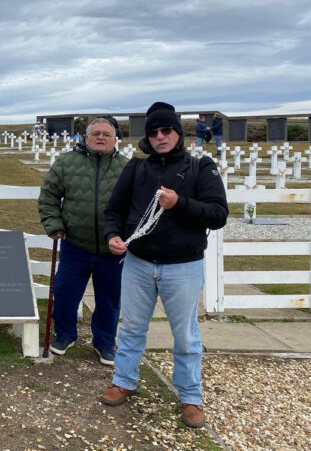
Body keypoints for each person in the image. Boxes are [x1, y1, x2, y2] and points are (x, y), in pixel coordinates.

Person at [100, 101, 228, 429]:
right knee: (130, 327)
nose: (160, 136)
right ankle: (124, 381)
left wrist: (178, 204)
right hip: (139, 262)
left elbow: (218, 215)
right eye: (154, 131)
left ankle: (190, 396)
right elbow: (115, 210)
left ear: (178, 132)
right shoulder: (136, 169)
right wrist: (114, 235)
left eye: (166, 130)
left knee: (185, 334)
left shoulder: (201, 167)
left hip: (183, 266)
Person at [38, 118, 128, 365]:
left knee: (109, 299)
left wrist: (126, 235)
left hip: (112, 249)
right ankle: (64, 335)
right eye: (95, 133)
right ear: (85, 138)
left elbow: (136, 205)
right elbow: (49, 196)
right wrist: (54, 225)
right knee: (65, 292)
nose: (101, 137)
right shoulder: (67, 163)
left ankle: (105, 342)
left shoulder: (126, 168)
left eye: (106, 134)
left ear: (114, 139)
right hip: (75, 244)